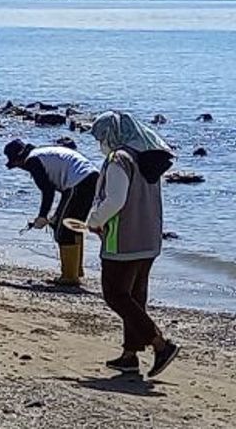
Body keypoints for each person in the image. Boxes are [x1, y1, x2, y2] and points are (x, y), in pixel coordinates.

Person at [85, 111, 179, 378]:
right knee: (135, 298)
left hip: (123, 240)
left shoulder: (119, 160)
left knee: (116, 295)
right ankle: (130, 355)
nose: (100, 143)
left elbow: (115, 200)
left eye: (101, 137)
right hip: (148, 238)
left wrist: (94, 221)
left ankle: (161, 344)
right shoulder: (148, 160)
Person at [4, 139, 98, 286]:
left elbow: (47, 191)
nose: (21, 169)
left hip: (79, 182)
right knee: (69, 225)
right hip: (90, 178)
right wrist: (52, 217)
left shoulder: (32, 160)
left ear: (19, 159)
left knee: (64, 229)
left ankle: (69, 277)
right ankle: (75, 270)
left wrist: (42, 216)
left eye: (17, 165)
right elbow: (60, 190)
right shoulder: (43, 153)